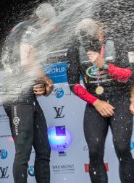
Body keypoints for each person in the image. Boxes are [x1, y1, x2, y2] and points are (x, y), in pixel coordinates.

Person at [67, 18, 134, 183]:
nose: (90, 42)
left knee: (122, 147)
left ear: (100, 30)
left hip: (120, 99)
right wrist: (95, 102)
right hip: (94, 104)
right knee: (95, 151)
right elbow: (73, 84)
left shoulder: (117, 41)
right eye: (85, 39)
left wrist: (104, 65)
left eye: (93, 37)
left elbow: (128, 75)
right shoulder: (75, 48)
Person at [1, 3, 56, 183]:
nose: (54, 28)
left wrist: (38, 84)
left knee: (43, 150)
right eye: (52, 23)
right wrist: (47, 81)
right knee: (23, 152)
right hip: (17, 94)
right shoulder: (31, 29)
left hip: (26, 93)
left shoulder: (21, 28)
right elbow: (26, 62)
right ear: (45, 19)